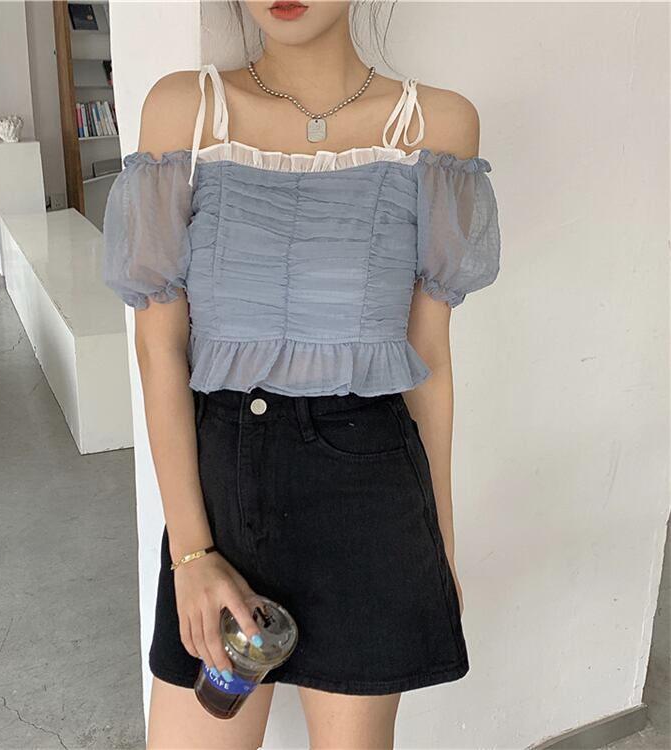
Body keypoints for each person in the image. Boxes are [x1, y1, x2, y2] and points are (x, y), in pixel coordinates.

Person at [102, 1, 501, 747]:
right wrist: (192, 553)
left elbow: (430, 362)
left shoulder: (437, 127)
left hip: (370, 493)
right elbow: (159, 348)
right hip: (221, 491)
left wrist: (439, 546)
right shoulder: (185, 111)